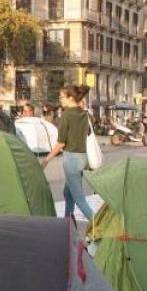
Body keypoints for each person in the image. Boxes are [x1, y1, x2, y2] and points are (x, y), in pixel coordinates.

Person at [41, 85, 95, 225]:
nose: (60, 100)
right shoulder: (85, 114)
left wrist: (46, 160)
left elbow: (61, 143)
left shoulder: (67, 115)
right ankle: (67, 224)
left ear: (71, 98)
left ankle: (100, 225)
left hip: (71, 159)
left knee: (79, 198)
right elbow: (88, 132)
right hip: (83, 158)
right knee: (68, 193)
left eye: (62, 97)